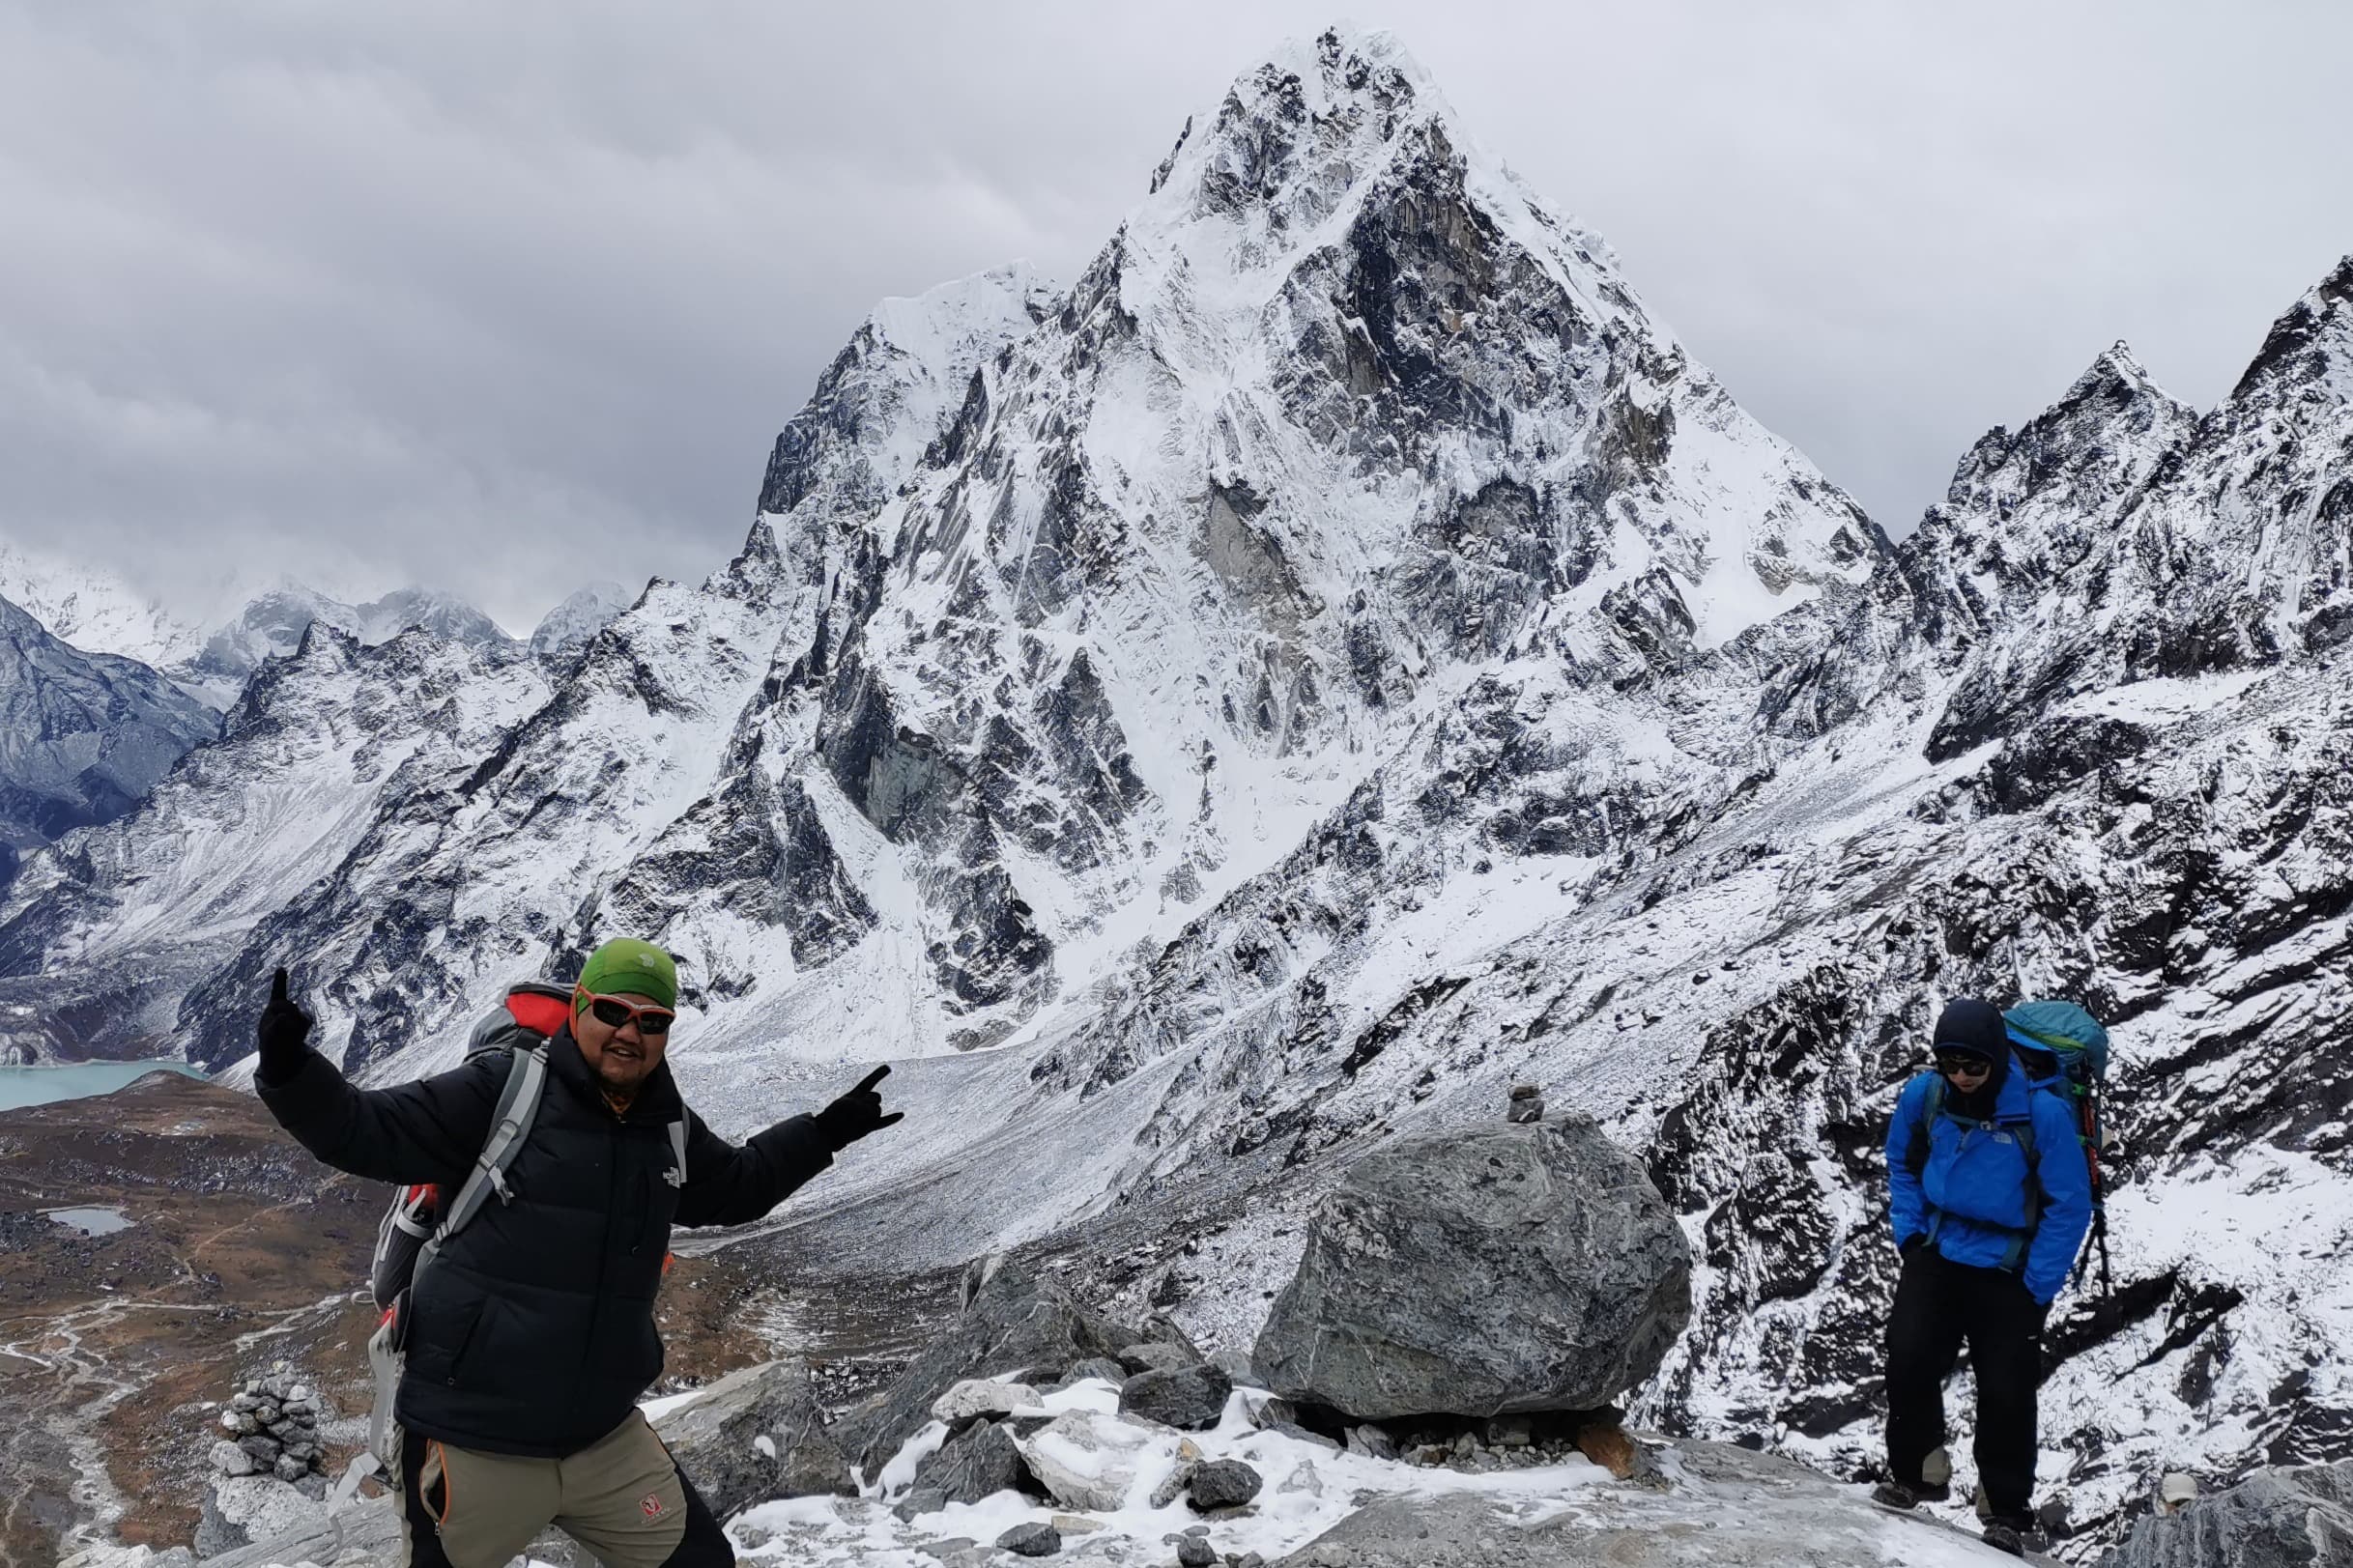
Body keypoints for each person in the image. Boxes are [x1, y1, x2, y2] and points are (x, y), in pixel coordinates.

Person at [253, 938, 902, 1568]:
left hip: (602, 1438)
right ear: (580, 1007)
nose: (630, 1032)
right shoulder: (505, 1089)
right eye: (613, 1011)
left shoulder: (665, 1123)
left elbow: (735, 1187)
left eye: (652, 1021)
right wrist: (291, 1073)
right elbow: (368, 1130)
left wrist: (825, 1132)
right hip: (473, 1436)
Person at [1877, 996, 2092, 1558]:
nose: (1962, 1076)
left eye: (1974, 1065)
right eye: (1950, 1064)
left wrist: (2037, 1286)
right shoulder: (1925, 1096)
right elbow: (1901, 1162)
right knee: (1908, 1354)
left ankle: (2006, 1511)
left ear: (1996, 1057)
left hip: (2009, 1268)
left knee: (2006, 1390)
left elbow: (2070, 1204)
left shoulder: (2043, 1114)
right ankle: (1916, 1473)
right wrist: (1910, 1235)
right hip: (1938, 1249)